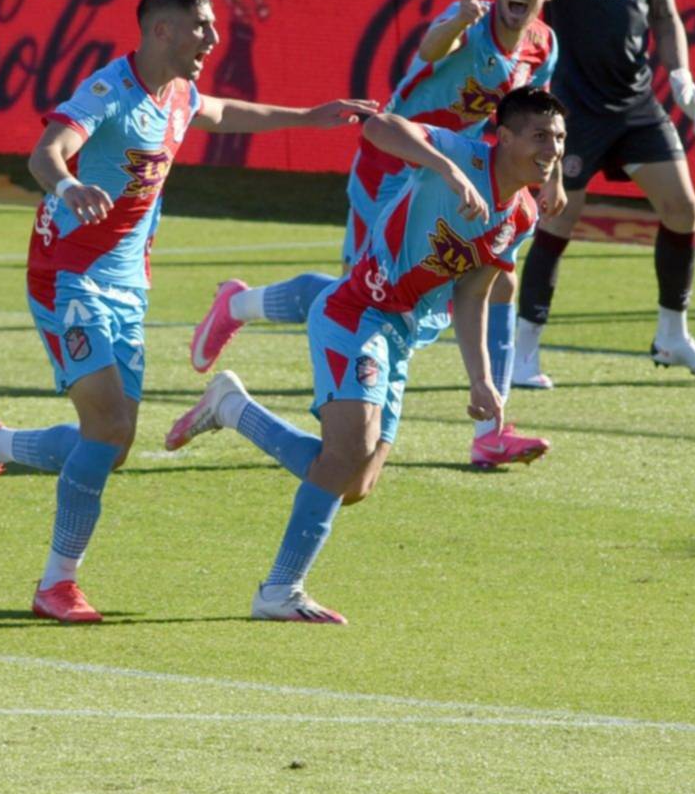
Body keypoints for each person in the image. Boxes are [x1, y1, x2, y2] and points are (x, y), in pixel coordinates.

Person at [0, 0, 377, 624]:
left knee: (112, 444)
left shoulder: (178, 93)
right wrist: (68, 188)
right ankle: (55, 585)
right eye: (201, 26)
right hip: (69, 276)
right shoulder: (109, 91)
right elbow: (47, 152)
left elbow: (224, 112)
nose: (213, 37)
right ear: (161, 31)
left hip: (127, 283)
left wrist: (307, 116)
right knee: (108, 430)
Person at [165, 86, 567, 623]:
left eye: (559, 138)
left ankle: (231, 408)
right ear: (506, 137)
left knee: (353, 484)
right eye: (541, 136)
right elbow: (379, 127)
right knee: (345, 453)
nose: (552, 148)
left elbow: (473, 293)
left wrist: (480, 378)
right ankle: (279, 590)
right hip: (357, 312)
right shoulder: (462, 154)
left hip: (401, 337)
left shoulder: (521, 215)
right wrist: (445, 168)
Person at [188, 0, 562, 468]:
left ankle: (491, 430)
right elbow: (431, 48)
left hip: (458, 168)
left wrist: (551, 177)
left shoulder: (543, 44)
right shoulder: (470, 23)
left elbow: (536, 111)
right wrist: (457, 20)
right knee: (359, 291)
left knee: (498, 279)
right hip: (394, 159)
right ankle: (237, 306)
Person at [514, 0, 695, 389]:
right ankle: (522, 354)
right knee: (558, 219)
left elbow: (664, 14)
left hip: (634, 102)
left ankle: (671, 336)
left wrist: (681, 76)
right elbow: (526, 3)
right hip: (574, 106)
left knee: (683, 208)